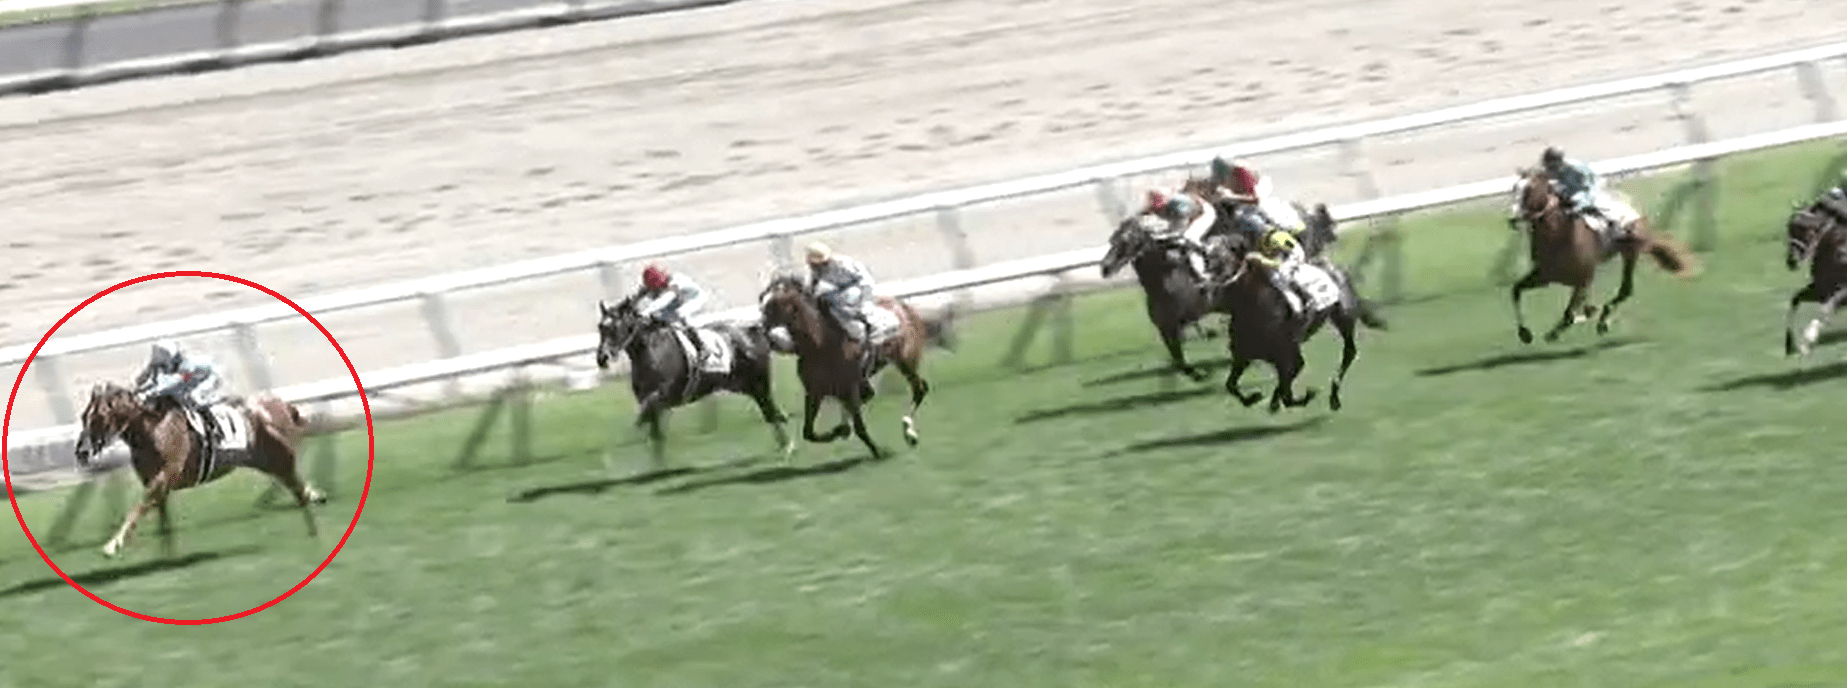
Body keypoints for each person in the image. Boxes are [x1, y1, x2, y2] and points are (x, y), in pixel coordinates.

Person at [133, 339, 228, 445]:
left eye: (162, 356)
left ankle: (216, 429)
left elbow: (174, 383)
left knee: (194, 396)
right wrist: (139, 389)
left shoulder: (186, 366)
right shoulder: (158, 361)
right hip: (188, 379)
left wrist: (151, 392)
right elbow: (142, 380)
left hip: (209, 376)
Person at [1540, 146, 1631, 241]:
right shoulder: (1554, 170)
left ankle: (1613, 225)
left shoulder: (1575, 168)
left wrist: (1577, 199)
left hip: (1590, 188)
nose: (1549, 169)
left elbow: (1588, 186)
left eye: (1551, 165)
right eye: (1548, 166)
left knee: (1590, 204)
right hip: (1572, 192)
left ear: (1558, 161)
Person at [804, 242, 879, 351]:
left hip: (854, 291)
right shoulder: (816, 270)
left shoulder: (844, 264)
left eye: (815, 263)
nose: (812, 266)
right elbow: (812, 288)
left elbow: (866, 281)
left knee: (847, 302)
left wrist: (866, 302)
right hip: (836, 293)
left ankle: (863, 333)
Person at [1212, 157, 1307, 239]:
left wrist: (1231, 196)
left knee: (1248, 221)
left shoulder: (1241, 173)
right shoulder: (1233, 176)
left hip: (1258, 207)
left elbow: (1256, 199)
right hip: (1250, 204)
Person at [634, 263, 712, 361]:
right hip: (676, 301)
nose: (655, 290)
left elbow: (665, 299)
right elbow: (636, 297)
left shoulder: (676, 282)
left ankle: (702, 347)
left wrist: (647, 311)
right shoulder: (653, 284)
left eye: (655, 287)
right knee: (656, 316)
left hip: (695, 299)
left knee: (680, 313)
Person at [1247, 227, 1324, 322]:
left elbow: (1278, 263)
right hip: (1286, 257)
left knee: (1280, 277)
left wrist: (1260, 259)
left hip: (1294, 257)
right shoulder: (1264, 240)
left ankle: (1303, 303)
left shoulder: (1275, 238)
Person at [1144, 188, 1218, 278]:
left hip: (1205, 214)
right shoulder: (1169, 206)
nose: (1158, 214)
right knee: (1177, 238)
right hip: (1191, 214)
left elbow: (1179, 230)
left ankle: (1206, 251)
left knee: (1188, 237)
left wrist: (1162, 235)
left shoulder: (1176, 207)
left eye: (1158, 211)